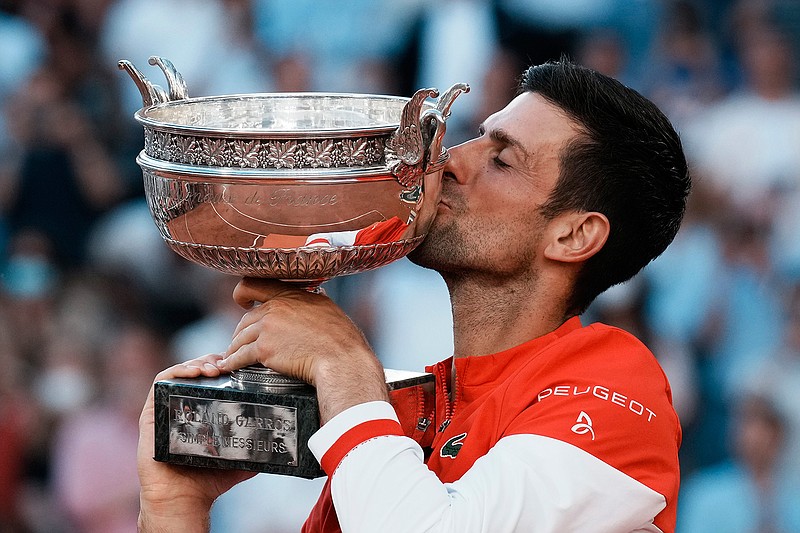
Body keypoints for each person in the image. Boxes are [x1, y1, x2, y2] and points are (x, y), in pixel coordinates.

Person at [136, 58, 691, 532]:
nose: (449, 161)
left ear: (574, 235)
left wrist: (341, 362)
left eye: (502, 159)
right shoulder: (403, 412)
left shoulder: (615, 386)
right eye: (476, 136)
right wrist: (175, 506)